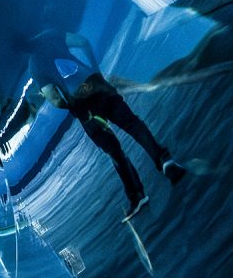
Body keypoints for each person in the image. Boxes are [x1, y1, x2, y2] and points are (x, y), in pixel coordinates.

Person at [24, 29, 186, 221]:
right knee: (133, 125)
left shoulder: (34, 66)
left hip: (85, 110)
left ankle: (138, 197)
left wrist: (71, 103)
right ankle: (165, 161)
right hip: (99, 87)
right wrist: (95, 70)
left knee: (115, 152)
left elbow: (55, 99)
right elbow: (83, 42)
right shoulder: (50, 35)